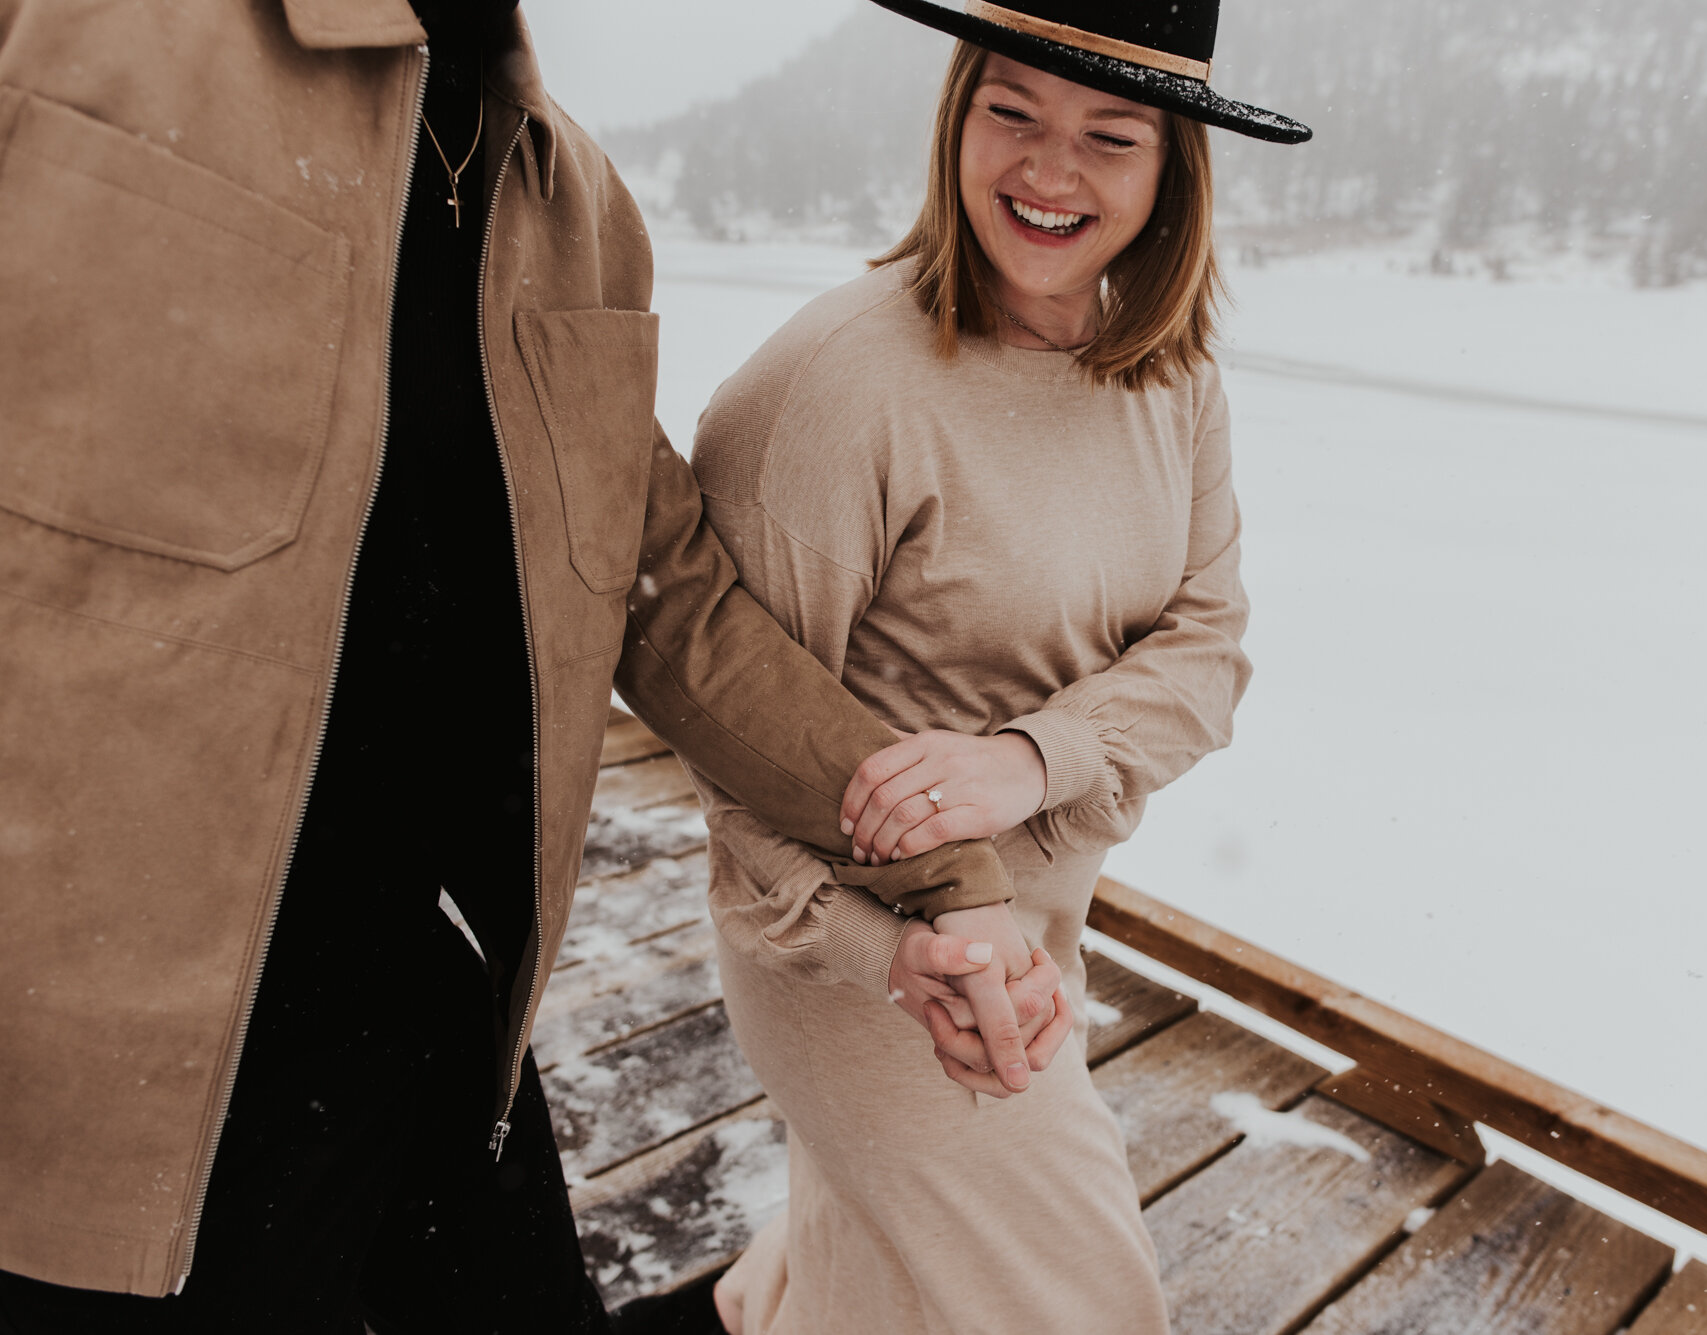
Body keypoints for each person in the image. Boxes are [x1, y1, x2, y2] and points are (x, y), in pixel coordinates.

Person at [0, 1, 1066, 1329]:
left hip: (419, 988)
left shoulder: (578, 212)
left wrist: (942, 875)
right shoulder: (85, 31)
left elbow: (679, 611)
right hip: (87, 1054)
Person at [688, 3, 1310, 1330]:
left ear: (1172, 168)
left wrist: (1027, 761)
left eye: (1110, 135)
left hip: (1045, 925)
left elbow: (1205, 658)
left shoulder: (1170, 373)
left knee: (888, 1288)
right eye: (1012, 111)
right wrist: (883, 952)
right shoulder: (837, 389)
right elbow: (737, 765)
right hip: (871, 964)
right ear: (957, 113)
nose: (1049, 171)